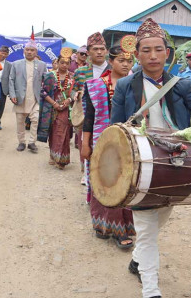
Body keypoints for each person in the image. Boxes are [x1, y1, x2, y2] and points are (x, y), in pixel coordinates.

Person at [110, 18, 191, 298]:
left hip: (176, 165)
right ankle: (151, 290)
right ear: (137, 54)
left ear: (167, 53)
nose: (153, 56)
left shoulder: (181, 85)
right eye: (146, 50)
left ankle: (137, 260)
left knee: (159, 221)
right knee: (145, 228)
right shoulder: (124, 86)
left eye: (158, 49)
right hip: (141, 166)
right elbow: (115, 128)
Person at [82, 43, 136, 249]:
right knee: (105, 181)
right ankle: (104, 226)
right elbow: (89, 117)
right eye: (121, 60)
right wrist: (85, 144)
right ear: (110, 61)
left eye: (129, 61)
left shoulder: (137, 85)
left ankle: (122, 227)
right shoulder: (95, 85)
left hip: (129, 142)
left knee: (127, 182)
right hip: (102, 141)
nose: (125, 64)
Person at [74, 32, 111, 189]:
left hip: (108, 115)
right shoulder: (81, 72)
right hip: (87, 115)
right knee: (86, 143)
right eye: (95, 49)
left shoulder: (113, 69)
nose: (99, 52)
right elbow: (73, 89)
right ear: (88, 52)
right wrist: (75, 94)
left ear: (107, 51)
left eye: (102, 49)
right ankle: (86, 172)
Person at [38, 48, 76, 169]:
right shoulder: (50, 75)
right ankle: (53, 155)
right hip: (51, 109)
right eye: (62, 63)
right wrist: (54, 103)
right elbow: (43, 92)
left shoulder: (73, 77)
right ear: (58, 63)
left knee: (63, 133)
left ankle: (62, 159)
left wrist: (69, 100)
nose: (64, 65)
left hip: (66, 109)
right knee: (53, 132)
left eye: (67, 63)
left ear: (70, 64)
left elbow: (76, 92)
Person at [8, 40, 47, 153]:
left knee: (35, 119)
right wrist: (12, 95)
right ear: (24, 51)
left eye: (32, 50)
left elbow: (45, 81)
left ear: (36, 52)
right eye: (27, 50)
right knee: (20, 121)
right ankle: (21, 142)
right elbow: (11, 80)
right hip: (21, 97)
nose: (29, 52)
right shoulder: (16, 64)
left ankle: (32, 142)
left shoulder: (42, 65)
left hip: (35, 98)